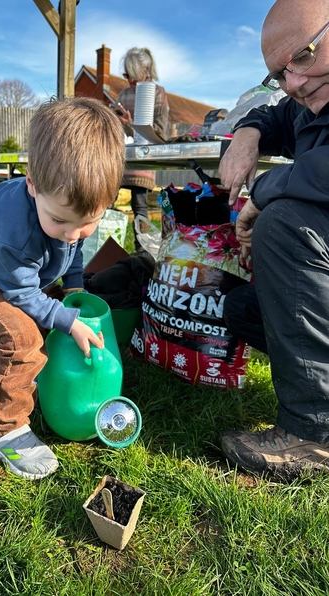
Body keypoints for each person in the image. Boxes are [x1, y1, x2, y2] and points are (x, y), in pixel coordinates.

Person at [0, 97, 125, 480]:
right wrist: (66, 321)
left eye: (87, 223)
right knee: (21, 338)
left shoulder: (70, 211)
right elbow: (20, 294)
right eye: (60, 221)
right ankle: (6, 430)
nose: (73, 234)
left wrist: (73, 290)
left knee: (47, 315)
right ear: (32, 183)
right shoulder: (12, 235)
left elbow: (73, 250)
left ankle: (33, 377)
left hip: (2, 268)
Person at [218, 0, 329, 481]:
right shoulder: (309, 98)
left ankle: (313, 433)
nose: (295, 83)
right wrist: (247, 131)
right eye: (280, 73)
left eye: (303, 56)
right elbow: (281, 115)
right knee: (242, 307)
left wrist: (262, 194)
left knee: (283, 224)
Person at [114, 47, 169, 251]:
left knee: (139, 206)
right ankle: (104, 248)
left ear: (146, 70)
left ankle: (142, 252)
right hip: (122, 159)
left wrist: (130, 124)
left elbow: (160, 134)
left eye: (134, 75)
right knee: (104, 200)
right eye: (127, 75)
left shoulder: (157, 94)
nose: (131, 81)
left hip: (144, 159)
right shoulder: (123, 94)